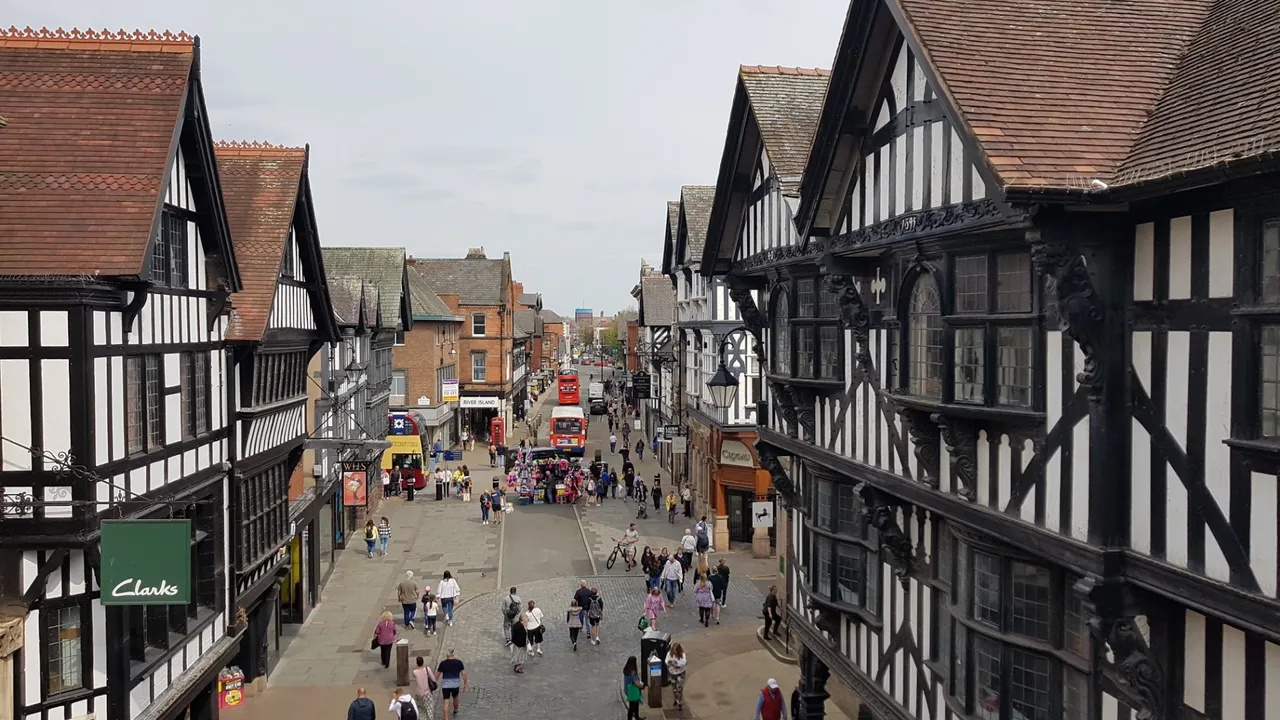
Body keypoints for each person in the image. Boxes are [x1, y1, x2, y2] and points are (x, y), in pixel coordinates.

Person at [436, 649, 468, 719]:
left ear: (446, 655)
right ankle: (455, 710)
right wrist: (465, 684)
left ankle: (446, 718)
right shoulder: (459, 662)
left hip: (445, 685)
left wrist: (434, 682)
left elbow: (437, 675)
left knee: (446, 703)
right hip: (455, 685)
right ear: (453, 654)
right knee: (456, 697)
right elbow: (464, 674)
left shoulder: (443, 663)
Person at [666, 642, 688, 711]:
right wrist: (670, 662)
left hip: (680, 673)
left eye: (676, 651)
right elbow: (666, 661)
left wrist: (677, 664)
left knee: (679, 687)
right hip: (672, 673)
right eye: (674, 651)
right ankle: (676, 699)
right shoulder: (670, 654)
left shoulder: (682, 654)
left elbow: (683, 663)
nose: (674, 652)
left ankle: (679, 701)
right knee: (674, 688)